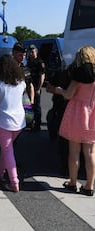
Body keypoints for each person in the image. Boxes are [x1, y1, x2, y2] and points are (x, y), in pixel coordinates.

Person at [46, 45, 95, 196]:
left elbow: (69, 94)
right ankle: (89, 185)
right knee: (90, 152)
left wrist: (58, 90)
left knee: (74, 151)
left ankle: (72, 182)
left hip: (77, 114)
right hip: (93, 113)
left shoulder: (79, 74)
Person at [0, 55, 26, 193]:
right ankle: (0, 172)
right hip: (19, 121)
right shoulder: (21, 82)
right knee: (7, 149)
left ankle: (14, 181)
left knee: (8, 150)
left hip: (3, 121)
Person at [12, 42, 35, 126]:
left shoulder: (25, 69)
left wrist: (31, 101)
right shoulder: (7, 69)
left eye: (24, 56)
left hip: (22, 101)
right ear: (14, 54)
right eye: (20, 55)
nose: (22, 58)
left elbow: (30, 86)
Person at [27, 44, 45, 132]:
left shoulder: (39, 62)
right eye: (30, 52)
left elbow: (42, 76)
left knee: (36, 107)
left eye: (33, 51)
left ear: (36, 52)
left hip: (36, 86)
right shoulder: (29, 61)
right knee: (29, 105)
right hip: (29, 86)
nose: (31, 53)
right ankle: (30, 123)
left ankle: (37, 125)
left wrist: (39, 88)